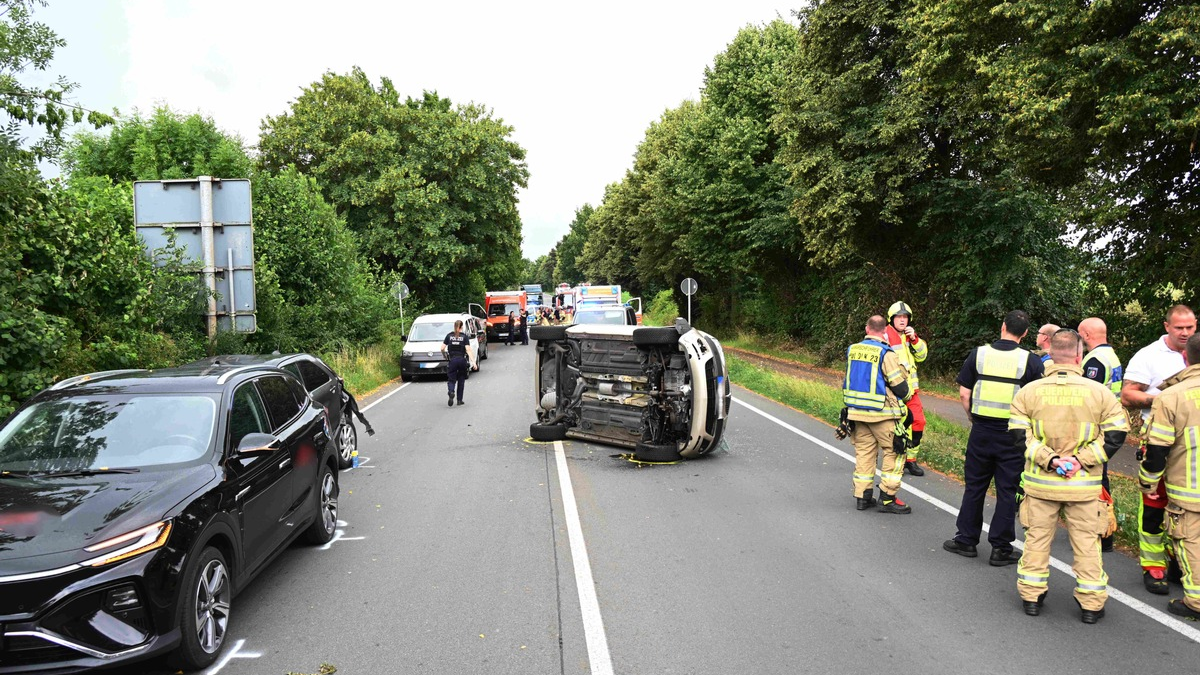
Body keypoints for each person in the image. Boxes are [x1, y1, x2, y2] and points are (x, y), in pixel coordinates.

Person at [1008, 329, 1129, 623]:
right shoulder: (1099, 393)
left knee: (1036, 542)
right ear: (1079, 356)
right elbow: (1115, 435)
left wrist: (1050, 460)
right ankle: (1091, 605)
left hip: (1040, 485)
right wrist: (1079, 461)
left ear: (1050, 354)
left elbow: (1017, 437)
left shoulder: (1028, 392)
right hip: (1083, 487)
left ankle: (1031, 597)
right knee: (1087, 544)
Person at [944, 310, 1045, 565]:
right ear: (1024, 333)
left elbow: (965, 393)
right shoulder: (1031, 361)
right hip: (1013, 436)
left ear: (1002, 327)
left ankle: (966, 540)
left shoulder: (979, 354)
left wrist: (972, 418)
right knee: (1007, 491)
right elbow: (1037, 402)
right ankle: (1001, 548)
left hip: (981, 431)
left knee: (975, 486)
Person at [1121, 304, 1196, 594]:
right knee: (1154, 504)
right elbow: (1127, 395)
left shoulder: (1197, 351)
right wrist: (1164, 401)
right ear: (1167, 327)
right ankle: (1153, 566)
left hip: (1194, 445)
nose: (1186, 333)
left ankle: (1183, 563)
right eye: (1180, 328)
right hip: (1159, 441)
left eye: (1190, 327)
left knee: (1190, 508)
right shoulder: (1149, 355)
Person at [1139, 334, 1200, 620]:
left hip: (1188, 487)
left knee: (1190, 540)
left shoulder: (1171, 396)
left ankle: (1196, 601)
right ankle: (1163, 568)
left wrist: (1148, 482)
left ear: (1185, 357)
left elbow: (1157, 450)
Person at [842, 315, 914, 514]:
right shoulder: (886, 353)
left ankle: (862, 497)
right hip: (882, 415)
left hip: (856, 413)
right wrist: (908, 396)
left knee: (864, 453)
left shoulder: (852, 350)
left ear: (866, 329)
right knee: (895, 452)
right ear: (884, 332)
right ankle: (887, 498)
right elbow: (899, 386)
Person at [1078, 316, 1124, 551]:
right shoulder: (1111, 356)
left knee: (1096, 477)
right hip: (1107, 423)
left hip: (1095, 426)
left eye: (1080, 334)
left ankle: (1101, 532)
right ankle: (1102, 529)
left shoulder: (1095, 360)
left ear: (1086, 334)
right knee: (1100, 476)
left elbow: (1086, 394)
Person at [885, 301, 929, 477]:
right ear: (891, 319)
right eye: (899, 317)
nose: (903, 321)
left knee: (918, 422)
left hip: (911, 392)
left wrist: (915, 339)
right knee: (896, 426)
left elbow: (922, 356)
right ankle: (897, 459)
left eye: (905, 317)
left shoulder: (909, 337)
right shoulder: (886, 335)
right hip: (893, 391)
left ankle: (911, 460)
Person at [441, 320, 473, 407]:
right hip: (462, 360)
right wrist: (474, 362)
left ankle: (451, 391)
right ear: (462, 327)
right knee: (461, 379)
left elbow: (442, 348)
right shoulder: (464, 337)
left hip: (453, 360)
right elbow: (468, 350)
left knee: (451, 379)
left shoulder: (449, 336)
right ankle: (459, 400)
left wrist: (445, 356)